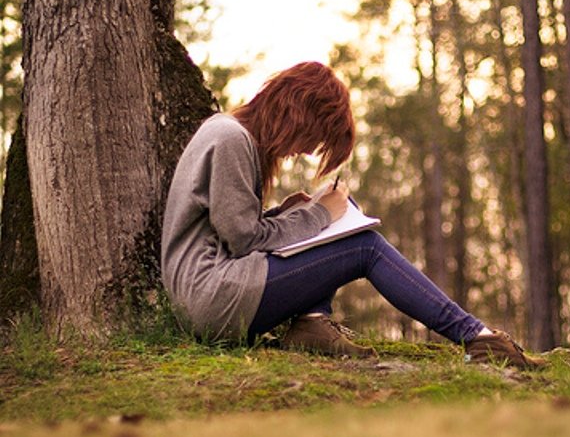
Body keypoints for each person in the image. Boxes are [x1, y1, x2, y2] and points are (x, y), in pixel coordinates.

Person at [161, 61, 543, 369]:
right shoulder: (231, 137)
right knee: (364, 246)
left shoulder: (231, 135)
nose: (307, 151)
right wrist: (316, 216)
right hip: (211, 297)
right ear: (299, 113)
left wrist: (293, 213)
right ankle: (476, 338)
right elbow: (242, 239)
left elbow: (232, 229)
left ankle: (311, 324)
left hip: (214, 293)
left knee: (340, 219)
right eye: (314, 138)